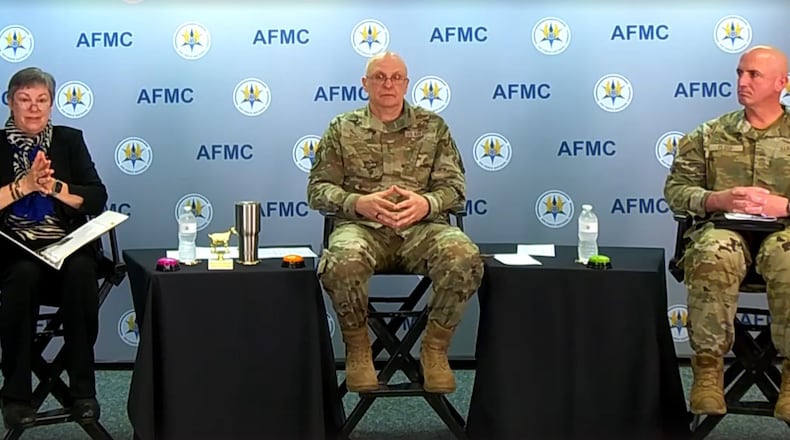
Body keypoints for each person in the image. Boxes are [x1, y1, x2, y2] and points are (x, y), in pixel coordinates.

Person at [307, 52, 483, 394]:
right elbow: (317, 190)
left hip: (422, 230)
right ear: (365, 83)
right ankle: (359, 348)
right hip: (362, 230)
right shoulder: (342, 128)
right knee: (341, 260)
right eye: (379, 76)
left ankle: (434, 350)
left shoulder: (433, 126)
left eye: (396, 77)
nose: (388, 84)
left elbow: (455, 189)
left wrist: (426, 203)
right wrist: (357, 203)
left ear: (406, 83)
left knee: (464, 256)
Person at [664, 45, 790, 420]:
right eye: (739, 73)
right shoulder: (709, 135)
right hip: (724, 231)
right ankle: (708, 372)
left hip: (784, 233)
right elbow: (676, 191)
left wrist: (784, 206)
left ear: (782, 83)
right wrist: (716, 198)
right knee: (712, 252)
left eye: (754, 75)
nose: (742, 81)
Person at [0, 67, 107, 428]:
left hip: (65, 246)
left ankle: (83, 393)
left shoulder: (69, 140)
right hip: (14, 249)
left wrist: (54, 187)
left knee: (81, 271)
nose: (34, 108)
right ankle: (16, 397)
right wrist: (25, 186)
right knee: (22, 276)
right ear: (10, 102)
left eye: (41, 100)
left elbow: (96, 196)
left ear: (51, 104)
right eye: (24, 99)